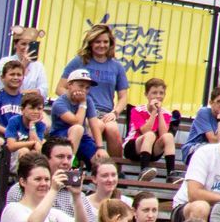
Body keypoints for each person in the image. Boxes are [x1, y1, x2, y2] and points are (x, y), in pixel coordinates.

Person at [60, 22, 129, 158]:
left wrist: (115, 112)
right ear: (91, 43)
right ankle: (88, 166)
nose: (102, 45)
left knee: (113, 130)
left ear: (110, 44)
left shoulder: (117, 66)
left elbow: (123, 97)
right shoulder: (79, 61)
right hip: (83, 110)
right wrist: (77, 98)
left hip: (106, 113)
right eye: (97, 42)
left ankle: (115, 171)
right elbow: (60, 88)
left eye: (105, 42)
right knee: (96, 126)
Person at [124, 77, 177, 177]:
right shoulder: (137, 110)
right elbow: (145, 131)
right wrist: (153, 112)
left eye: (161, 93)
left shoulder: (166, 113)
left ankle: (171, 174)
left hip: (152, 150)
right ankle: (144, 171)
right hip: (133, 148)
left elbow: (163, 134)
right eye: (154, 93)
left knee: (169, 136)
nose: (158, 96)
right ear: (146, 95)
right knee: (150, 134)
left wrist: (159, 111)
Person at [51, 68, 100, 164]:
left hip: (82, 138)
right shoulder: (59, 103)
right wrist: (82, 103)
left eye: (87, 88)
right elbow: (77, 122)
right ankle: (68, 165)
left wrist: (100, 147)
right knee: (78, 128)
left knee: (101, 161)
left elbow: (94, 125)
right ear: (69, 85)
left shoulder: (88, 100)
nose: (84, 91)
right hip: (59, 138)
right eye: (81, 86)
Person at [183, 86, 220, 164]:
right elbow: (213, 140)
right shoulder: (203, 112)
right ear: (211, 103)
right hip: (193, 149)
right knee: (211, 151)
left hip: (213, 151)